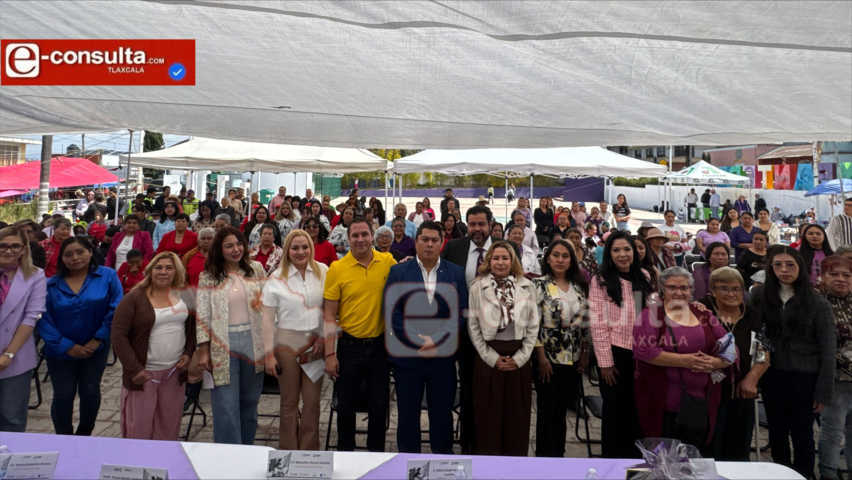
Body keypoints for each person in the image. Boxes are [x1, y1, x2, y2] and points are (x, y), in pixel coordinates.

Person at [752, 246, 836, 477]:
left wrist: (823, 391)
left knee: (802, 434)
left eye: (790, 265)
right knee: (777, 431)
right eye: (778, 265)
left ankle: (804, 474)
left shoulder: (817, 302)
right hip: (771, 374)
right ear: (770, 268)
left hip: (805, 377)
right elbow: (755, 335)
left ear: (801, 268)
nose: (784, 270)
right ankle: (780, 473)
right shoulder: (759, 296)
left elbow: (828, 349)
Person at [385, 221, 467, 454]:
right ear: (416, 241)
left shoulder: (455, 273)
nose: (429, 244)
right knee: (407, 414)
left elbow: (460, 312)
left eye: (434, 240)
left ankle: (442, 462)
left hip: (442, 357)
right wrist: (417, 340)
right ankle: (408, 461)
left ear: (442, 243)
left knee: (441, 415)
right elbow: (392, 312)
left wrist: (437, 339)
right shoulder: (399, 272)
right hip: (408, 357)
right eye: (425, 239)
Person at [633, 267, 734, 451]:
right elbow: (644, 350)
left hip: (699, 403)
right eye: (672, 287)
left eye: (684, 288)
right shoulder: (650, 315)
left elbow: (730, 347)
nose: (679, 292)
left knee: (695, 455)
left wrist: (715, 363)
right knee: (664, 456)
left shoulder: (703, 314)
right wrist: (687, 361)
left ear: (691, 290)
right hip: (663, 402)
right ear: (662, 289)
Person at [323, 218, 395, 451]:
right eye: (355, 235)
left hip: (379, 348)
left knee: (379, 407)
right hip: (349, 347)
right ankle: (346, 456)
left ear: (372, 236)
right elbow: (329, 315)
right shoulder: (337, 268)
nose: (360, 239)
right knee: (346, 408)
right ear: (348, 239)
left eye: (365, 234)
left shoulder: (388, 262)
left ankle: (376, 457)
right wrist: (330, 355)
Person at [38, 236, 123, 435]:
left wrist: (98, 338)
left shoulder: (108, 276)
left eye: (80, 252)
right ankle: (64, 438)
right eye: (68, 254)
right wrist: (66, 346)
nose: (75, 258)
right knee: (63, 395)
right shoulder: (50, 285)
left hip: (95, 349)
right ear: (61, 258)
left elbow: (116, 307)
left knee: (90, 392)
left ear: (90, 252)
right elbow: (42, 317)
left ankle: (85, 436)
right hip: (60, 352)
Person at [111, 251, 194, 440]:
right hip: (144, 374)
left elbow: (191, 330)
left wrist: (188, 353)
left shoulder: (184, 296)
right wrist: (134, 369)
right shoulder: (134, 298)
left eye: (169, 268)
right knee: (139, 428)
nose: (163, 272)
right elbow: (118, 335)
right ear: (150, 270)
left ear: (177, 271)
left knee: (168, 425)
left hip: (174, 372)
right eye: (158, 267)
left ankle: (163, 458)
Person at [196, 227, 267, 445]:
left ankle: (246, 449)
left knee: (250, 402)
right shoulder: (208, 276)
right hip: (222, 345)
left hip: (253, 343)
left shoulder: (256, 269)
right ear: (219, 249)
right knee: (226, 405)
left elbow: (269, 305)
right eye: (229, 246)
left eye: (238, 244)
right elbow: (202, 314)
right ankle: (229, 455)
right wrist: (203, 350)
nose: (235, 249)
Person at [468, 240, 539, 456]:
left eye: (505, 258)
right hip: (489, 359)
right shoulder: (478, 287)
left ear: (512, 261)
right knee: (488, 415)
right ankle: (488, 462)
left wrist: (520, 358)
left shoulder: (527, 286)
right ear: (489, 261)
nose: (500, 262)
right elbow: (473, 327)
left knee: (516, 415)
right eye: (496, 258)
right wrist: (491, 358)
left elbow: (533, 326)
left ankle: (514, 462)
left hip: (518, 359)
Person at [260, 229, 327, 450]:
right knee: (289, 403)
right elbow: (267, 320)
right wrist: (269, 355)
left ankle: (309, 453)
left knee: (312, 403)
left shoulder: (323, 272)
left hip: (315, 345)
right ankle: (288, 452)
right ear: (287, 250)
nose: (300, 252)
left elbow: (329, 309)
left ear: (311, 248)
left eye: (305, 247)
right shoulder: (276, 278)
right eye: (295, 248)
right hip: (286, 344)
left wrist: (323, 338)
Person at [589, 231, 652, 458]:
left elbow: (649, 314)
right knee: (616, 413)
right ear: (609, 254)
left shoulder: (644, 276)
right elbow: (598, 325)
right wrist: (605, 363)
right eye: (616, 250)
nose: (622, 254)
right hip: (615, 354)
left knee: (639, 411)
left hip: (641, 354)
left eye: (627, 249)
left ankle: (635, 463)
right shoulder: (600, 280)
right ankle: (612, 463)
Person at [697, 267, 770, 460]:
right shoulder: (700, 313)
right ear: (712, 291)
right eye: (724, 288)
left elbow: (764, 351)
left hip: (741, 391)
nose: (731, 294)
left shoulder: (753, 315)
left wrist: (752, 378)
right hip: (707, 393)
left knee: (738, 451)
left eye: (736, 289)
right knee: (709, 450)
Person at [441, 205, 493, 452]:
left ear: (490, 224)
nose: (477, 229)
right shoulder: (454, 248)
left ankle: (490, 442)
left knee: (490, 390)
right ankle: (468, 444)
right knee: (468, 390)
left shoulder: (505, 249)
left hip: (495, 335)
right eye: (472, 224)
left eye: (481, 224)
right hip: (462, 333)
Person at [532, 240, 588, 457]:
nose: (560, 260)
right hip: (547, 358)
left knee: (562, 411)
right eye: (556, 255)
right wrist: (541, 357)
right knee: (547, 411)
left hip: (573, 358)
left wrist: (585, 353)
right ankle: (544, 457)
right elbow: (533, 324)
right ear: (548, 258)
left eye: (565, 256)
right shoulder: (538, 285)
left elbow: (585, 322)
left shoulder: (579, 286)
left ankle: (559, 455)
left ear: (571, 260)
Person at [0, 226, 46, 432]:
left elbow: (31, 316)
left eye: (15, 246)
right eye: (3, 245)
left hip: (16, 357)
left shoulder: (35, 276)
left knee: (12, 418)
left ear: (23, 249)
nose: (9, 250)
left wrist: (8, 354)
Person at [818, 255, 852, 480]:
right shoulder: (816, 302)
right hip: (834, 379)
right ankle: (828, 474)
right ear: (823, 276)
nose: (841, 279)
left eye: (846, 275)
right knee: (833, 431)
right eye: (834, 274)